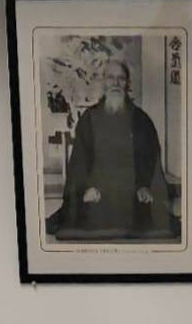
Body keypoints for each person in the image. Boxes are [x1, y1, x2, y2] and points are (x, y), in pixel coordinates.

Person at [48, 58, 174, 241]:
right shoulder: (89, 118)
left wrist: (144, 186)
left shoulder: (141, 120)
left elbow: (150, 158)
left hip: (131, 193)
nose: (115, 83)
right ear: (103, 82)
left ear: (127, 83)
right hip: (97, 192)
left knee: (151, 217)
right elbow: (79, 160)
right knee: (80, 215)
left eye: (121, 78)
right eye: (110, 77)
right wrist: (86, 188)